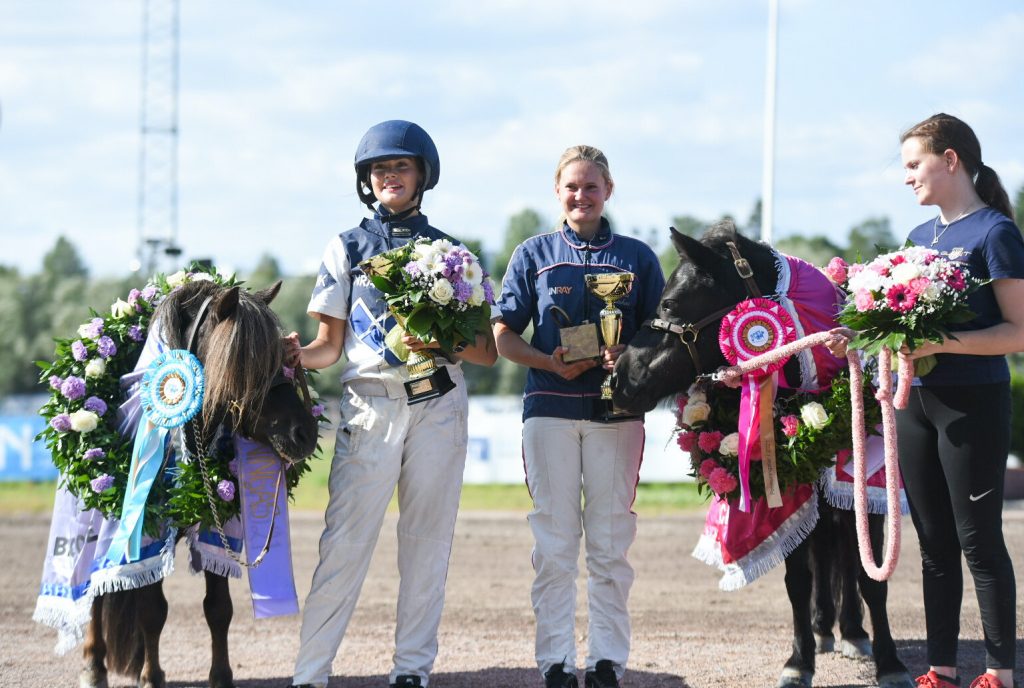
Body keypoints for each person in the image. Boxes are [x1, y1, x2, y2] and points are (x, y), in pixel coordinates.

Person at [284, 119, 497, 688]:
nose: (389, 176)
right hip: (370, 403)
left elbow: (485, 353)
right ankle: (310, 674)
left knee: (427, 544)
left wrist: (443, 343)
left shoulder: (453, 254)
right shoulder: (346, 246)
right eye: (379, 169)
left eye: (400, 166)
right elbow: (329, 348)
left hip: (438, 406)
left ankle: (411, 671)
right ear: (365, 180)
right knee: (344, 543)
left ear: (423, 174)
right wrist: (290, 356)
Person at [848, 113, 1021, 688]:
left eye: (914, 164)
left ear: (951, 161)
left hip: (973, 403)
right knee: (934, 543)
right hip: (913, 402)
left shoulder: (996, 232)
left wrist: (941, 341)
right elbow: (898, 324)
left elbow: (1019, 332)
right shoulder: (918, 240)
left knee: (979, 540)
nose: (906, 178)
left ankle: (999, 670)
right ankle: (942, 669)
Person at [492, 145, 665, 688]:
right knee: (555, 542)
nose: (581, 195)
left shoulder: (638, 257)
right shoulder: (533, 253)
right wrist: (546, 361)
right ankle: (557, 661)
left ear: (608, 190)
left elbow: (662, 335)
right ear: (557, 191)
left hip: (618, 415)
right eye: (572, 186)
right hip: (550, 411)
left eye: (592, 186)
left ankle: (609, 659)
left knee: (611, 542)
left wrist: (629, 354)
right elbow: (501, 336)